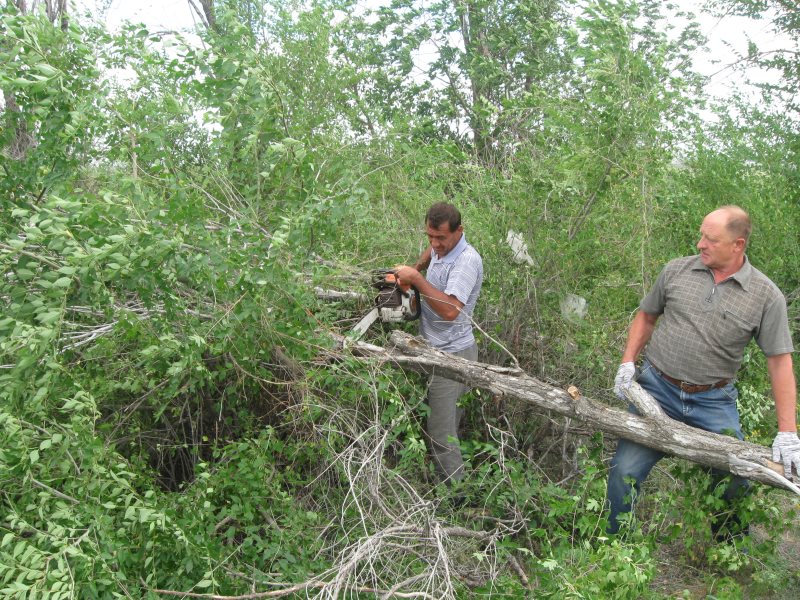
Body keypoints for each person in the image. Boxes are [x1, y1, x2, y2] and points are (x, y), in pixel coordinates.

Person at [608, 205, 800, 537]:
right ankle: (614, 546)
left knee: (735, 480)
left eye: (710, 239)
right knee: (623, 472)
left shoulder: (766, 296)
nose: (700, 244)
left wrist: (787, 431)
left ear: (738, 245)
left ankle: (730, 548)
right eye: (701, 235)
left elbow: (780, 362)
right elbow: (647, 315)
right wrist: (627, 362)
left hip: (713, 401)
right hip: (656, 389)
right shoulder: (676, 271)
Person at [394, 202, 483, 486]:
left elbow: (450, 311)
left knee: (441, 432)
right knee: (446, 427)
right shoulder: (440, 248)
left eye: (441, 238)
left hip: (453, 355)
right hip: (434, 349)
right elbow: (431, 253)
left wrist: (417, 279)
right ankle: (448, 484)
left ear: (459, 232)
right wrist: (414, 269)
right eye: (429, 237)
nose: (435, 244)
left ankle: (457, 499)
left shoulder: (466, 261)